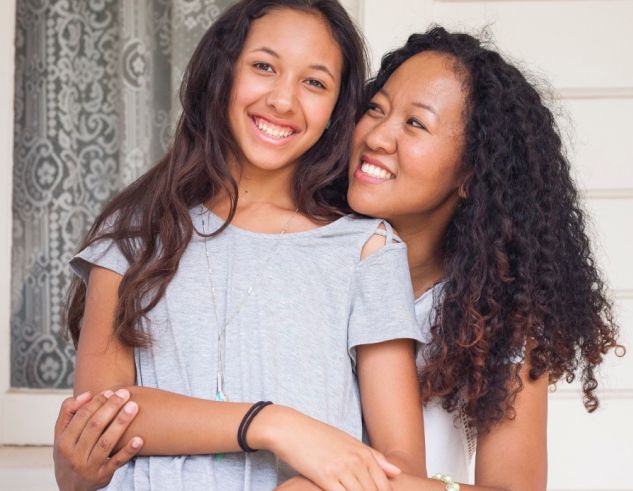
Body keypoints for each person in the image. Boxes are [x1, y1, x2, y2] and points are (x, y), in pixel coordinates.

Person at [55, 26, 621, 491]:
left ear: (472, 174)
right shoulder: (285, 236)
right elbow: (100, 425)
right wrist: (274, 427)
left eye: (415, 124)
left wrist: (325, 483)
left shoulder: (488, 313)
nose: (377, 136)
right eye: (374, 110)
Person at [53, 1, 429, 490]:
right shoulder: (135, 236)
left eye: (314, 82)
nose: (282, 100)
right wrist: (272, 424)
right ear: (222, 73)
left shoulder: (365, 250)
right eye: (264, 66)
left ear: (338, 109)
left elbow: (403, 465)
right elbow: (100, 420)